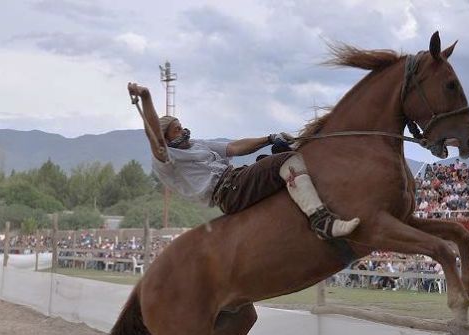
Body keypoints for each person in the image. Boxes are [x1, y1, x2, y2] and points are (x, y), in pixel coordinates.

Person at [127, 82, 359, 240]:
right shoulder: (166, 157)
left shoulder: (198, 144)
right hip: (228, 190)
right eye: (177, 129)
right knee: (285, 160)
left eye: (181, 125)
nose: (183, 130)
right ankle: (322, 222)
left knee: (280, 149)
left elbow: (235, 147)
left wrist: (269, 138)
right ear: (167, 137)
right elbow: (154, 134)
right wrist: (146, 96)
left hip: (238, 179)